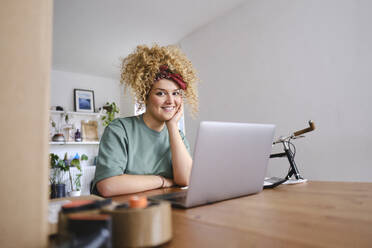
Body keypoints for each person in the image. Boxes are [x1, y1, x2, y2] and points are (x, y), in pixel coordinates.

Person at [91, 44, 199, 197]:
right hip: (129, 212)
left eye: (175, 93)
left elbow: (186, 179)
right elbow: (108, 186)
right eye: (161, 93)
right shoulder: (120, 130)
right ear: (145, 97)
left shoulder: (178, 136)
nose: (170, 101)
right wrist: (162, 181)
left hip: (169, 210)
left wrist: (172, 126)